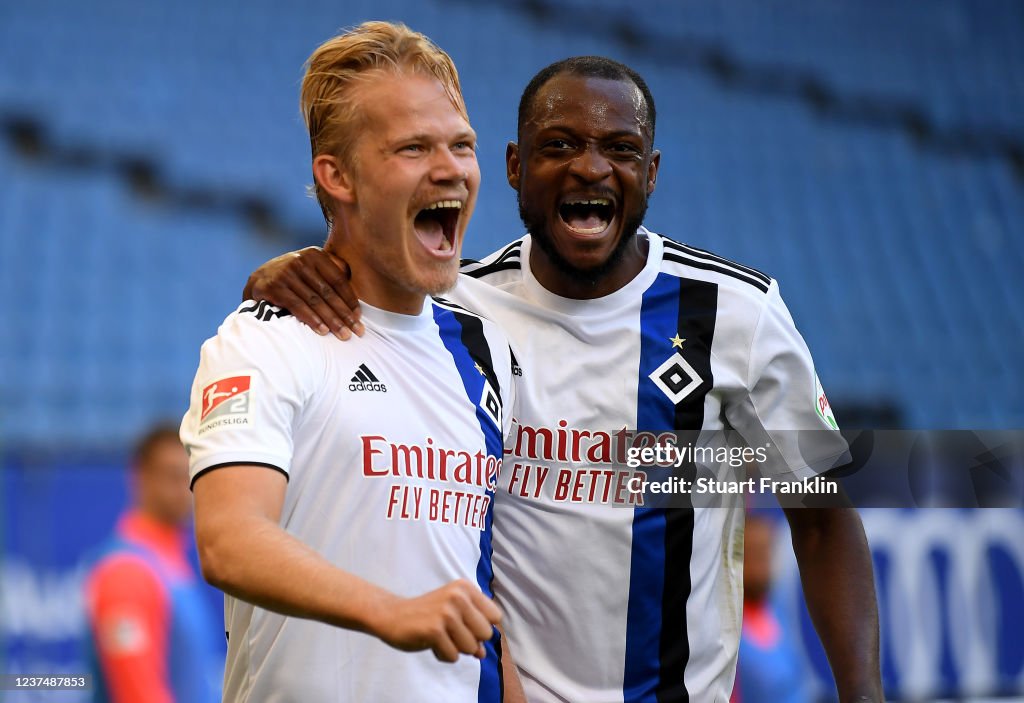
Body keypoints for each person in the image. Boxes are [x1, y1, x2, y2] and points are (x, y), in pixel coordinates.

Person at [246, 56, 883, 702]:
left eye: (620, 148)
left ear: (651, 174)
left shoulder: (737, 315)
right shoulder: (455, 311)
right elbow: (360, 289)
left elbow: (823, 516)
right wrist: (283, 272)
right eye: (559, 145)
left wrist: (863, 694)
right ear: (515, 167)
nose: (590, 167)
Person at [180, 21, 525, 703]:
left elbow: (484, 592)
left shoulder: (488, 350)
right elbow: (229, 538)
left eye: (462, 145)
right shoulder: (265, 338)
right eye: (413, 147)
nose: (451, 166)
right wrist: (390, 609)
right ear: (336, 175)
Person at [83, 424, 221, 703]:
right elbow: (138, 694)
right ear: (140, 476)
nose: (184, 490)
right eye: (172, 476)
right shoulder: (126, 573)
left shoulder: (171, 564)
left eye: (189, 476)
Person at [732, 512, 812, 703]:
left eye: (765, 553)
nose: (762, 565)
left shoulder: (778, 613)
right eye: (752, 554)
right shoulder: (725, 628)